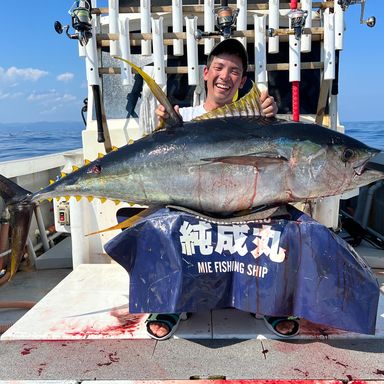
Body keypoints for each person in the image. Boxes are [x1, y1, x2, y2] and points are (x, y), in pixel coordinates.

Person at [146, 38, 300, 340]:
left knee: (285, 223)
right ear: (205, 73)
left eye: (234, 71)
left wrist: (269, 116)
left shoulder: (254, 119)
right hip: (192, 211)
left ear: (243, 81)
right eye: (219, 67)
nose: (225, 76)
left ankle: (272, 305)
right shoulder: (183, 118)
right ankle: (169, 304)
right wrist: (160, 128)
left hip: (241, 210)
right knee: (160, 221)